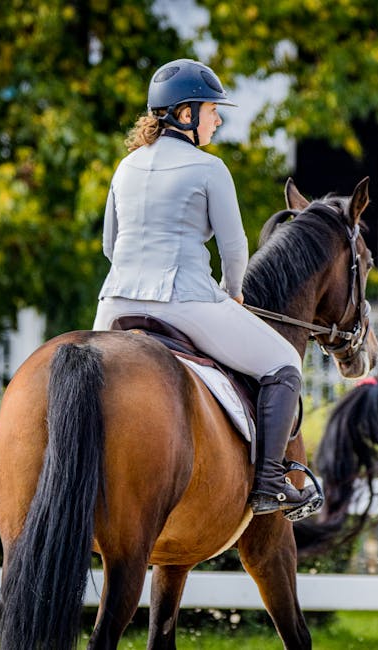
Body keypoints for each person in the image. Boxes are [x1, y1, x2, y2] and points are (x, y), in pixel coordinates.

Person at [92, 58, 320, 518]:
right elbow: (235, 251)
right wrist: (232, 292)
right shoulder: (210, 169)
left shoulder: (125, 166)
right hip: (186, 300)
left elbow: (109, 246)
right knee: (284, 363)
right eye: (212, 109)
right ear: (184, 114)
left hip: (113, 304)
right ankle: (271, 482)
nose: (218, 118)